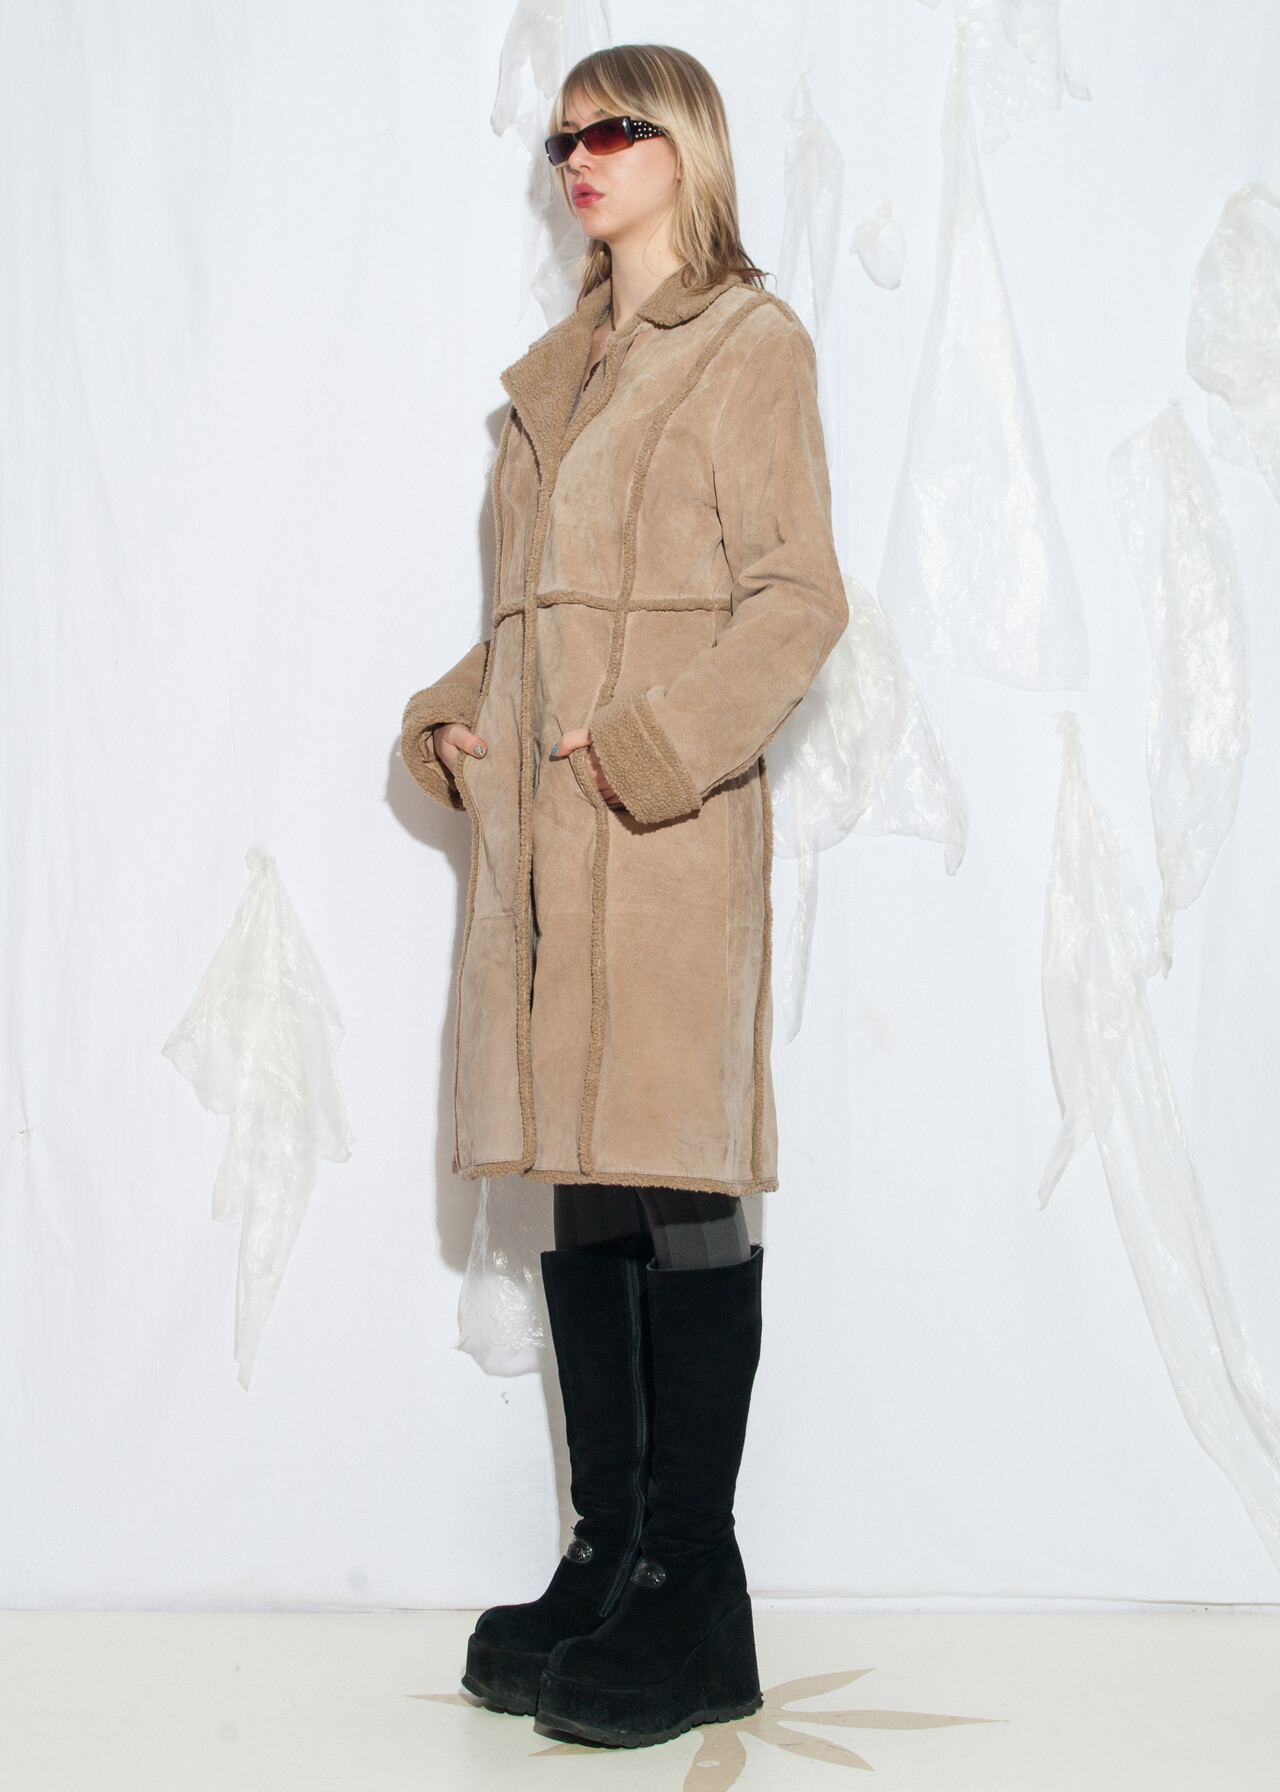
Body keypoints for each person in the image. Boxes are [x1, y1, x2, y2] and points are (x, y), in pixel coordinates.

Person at [400, 43, 847, 1749]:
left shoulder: (750, 345)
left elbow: (797, 602)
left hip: (660, 846)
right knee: (584, 1177)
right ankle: (609, 1556)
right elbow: (527, 624)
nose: (577, 155)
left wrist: (652, 747)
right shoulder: (560, 376)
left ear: (689, 147)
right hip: (543, 859)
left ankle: (691, 1580)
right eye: (561, 135)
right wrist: (455, 719)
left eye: (614, 128)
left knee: (674, 1170)